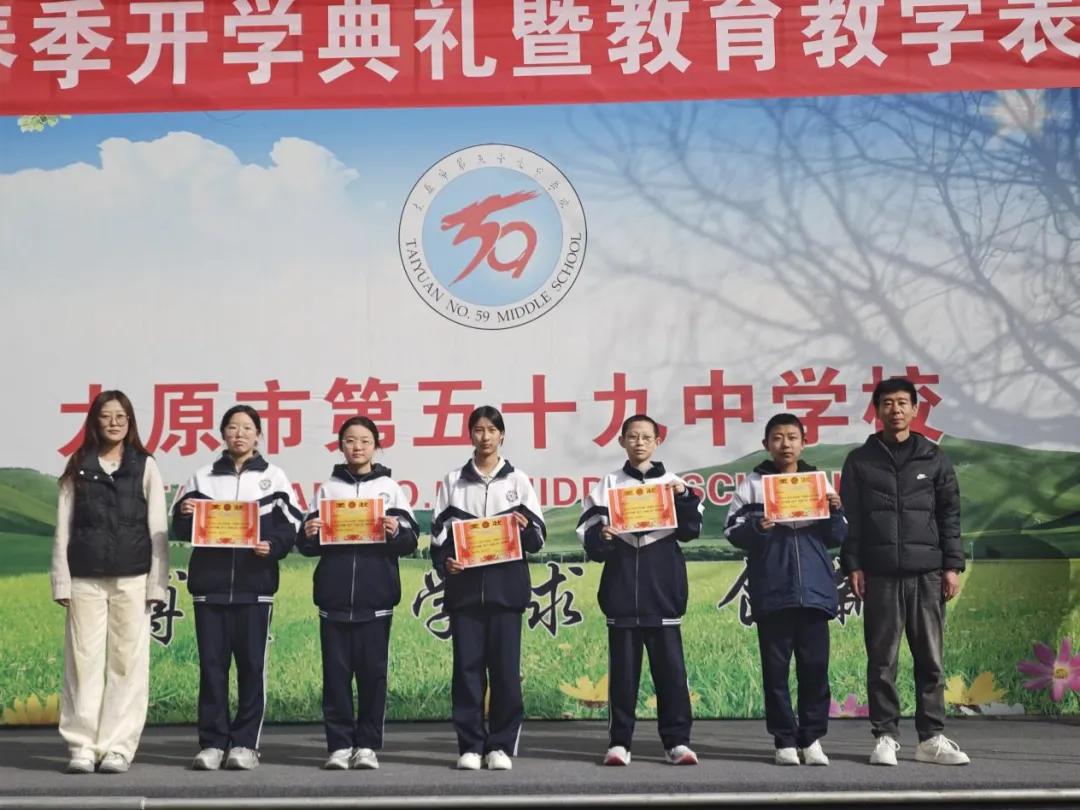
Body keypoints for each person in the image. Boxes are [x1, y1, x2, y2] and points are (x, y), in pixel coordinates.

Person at [840, 378, 969, 766]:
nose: (895, 409)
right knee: (882, 661)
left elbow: (949, 515)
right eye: (887, 403)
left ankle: (931, 738)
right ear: (876, 411)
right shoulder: (860, 460)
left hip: (927, 574)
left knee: (930, 659)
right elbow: (851, 519)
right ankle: (884, 736)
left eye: (902, 403)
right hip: (880, 575)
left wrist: (952, 566)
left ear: (915, 409)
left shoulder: (934, 458)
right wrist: (853, 564)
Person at [171, 404, 303, 771]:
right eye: (232, 427)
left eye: (247, 428)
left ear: (258, 435)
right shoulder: (202, 477)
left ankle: (245, 744)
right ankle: (212, 743)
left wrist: (272, 546)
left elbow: (291, 525)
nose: (239, 434)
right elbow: (182, 528)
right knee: (212, 668)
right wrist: (184, 513)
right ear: (223, 434)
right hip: (209, 587)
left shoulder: (274, 478)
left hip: (254, 586)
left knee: (251, 667)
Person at [50, 389, 169, 775]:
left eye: (121, 416)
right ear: (94, 422)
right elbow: (63, 527)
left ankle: (118, 747)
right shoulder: (78, 464)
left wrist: (157, 584)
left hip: (133, 578)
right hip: (85, 578)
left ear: (130, 422)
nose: (113, 423)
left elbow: (158, 528)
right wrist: (61, 581)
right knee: (82, 663)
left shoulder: (145, 465)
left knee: (127, 664)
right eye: (106, 416)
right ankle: (82, 746)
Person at [575, 414, 704, 767]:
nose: (640, 443)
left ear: (658, 442)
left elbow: (692, 529)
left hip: (664, 594)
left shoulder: (674, 483)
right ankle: (620, 743)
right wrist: (602, 536)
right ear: (622, 441)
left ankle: (677, 743)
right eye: (632, 436)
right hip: (621, 595)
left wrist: (683, 497)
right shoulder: (608, 484)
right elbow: (589, 535)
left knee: (672, 676)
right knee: (623, 677)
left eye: (647, 437)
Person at [296, 416, 420, 771]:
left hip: (376, 599)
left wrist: (396, 530)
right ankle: (338, 746)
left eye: (365, 441)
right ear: (341, 446)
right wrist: (309, 532)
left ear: (376, 446)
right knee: (335, 677)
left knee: (373, 676)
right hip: (333, 599)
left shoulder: (390, 489)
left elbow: (410, 540)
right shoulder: (328, 489)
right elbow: (306, 544)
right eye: (350, 440)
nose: (357, 447)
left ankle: (366, 745)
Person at [724, 413, 847, 767]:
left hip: (815, 592)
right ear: (766, 445)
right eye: (777, 438)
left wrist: (835, 511)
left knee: (815, 670)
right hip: (773, 589)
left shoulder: (818, 482)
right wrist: (758, 528)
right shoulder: (752, 485)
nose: (785, 444)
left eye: (792, 437)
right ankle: (784, 741)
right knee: (775, 673)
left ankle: (812, 739)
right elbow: (731, 531)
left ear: (803, 443)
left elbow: (838, 536)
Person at [429, 406, 546, 771]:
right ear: (471, 435)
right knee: (467, 671)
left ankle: (500, 746)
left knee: (506, 673)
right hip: (465, 594)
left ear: (501, 435)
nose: (485, 436)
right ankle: (470, 746)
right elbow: (438, 540)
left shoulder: (518, 481)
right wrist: (446, 563)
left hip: (506, 593)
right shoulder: (453, 481)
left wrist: (524, 528)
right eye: (478, 430)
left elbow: (538, 538)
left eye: (491, 430)